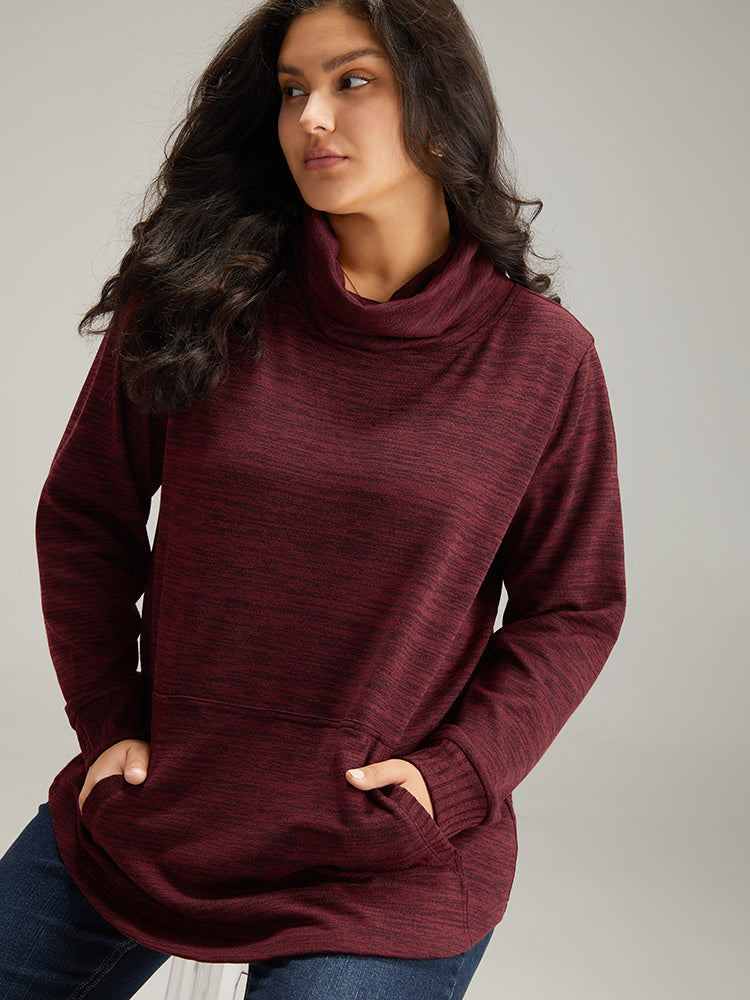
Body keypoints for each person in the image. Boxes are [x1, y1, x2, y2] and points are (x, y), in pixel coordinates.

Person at [0, 0, 627, 997]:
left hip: (377, 858)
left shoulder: (541, 360)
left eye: (353, 81)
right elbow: (84, 516)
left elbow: (575, 604)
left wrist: (458, 776)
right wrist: (107, 718)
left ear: (440, 101)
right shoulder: (197, 298)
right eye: (293, 90)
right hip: (162, 811)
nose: (312, 119)